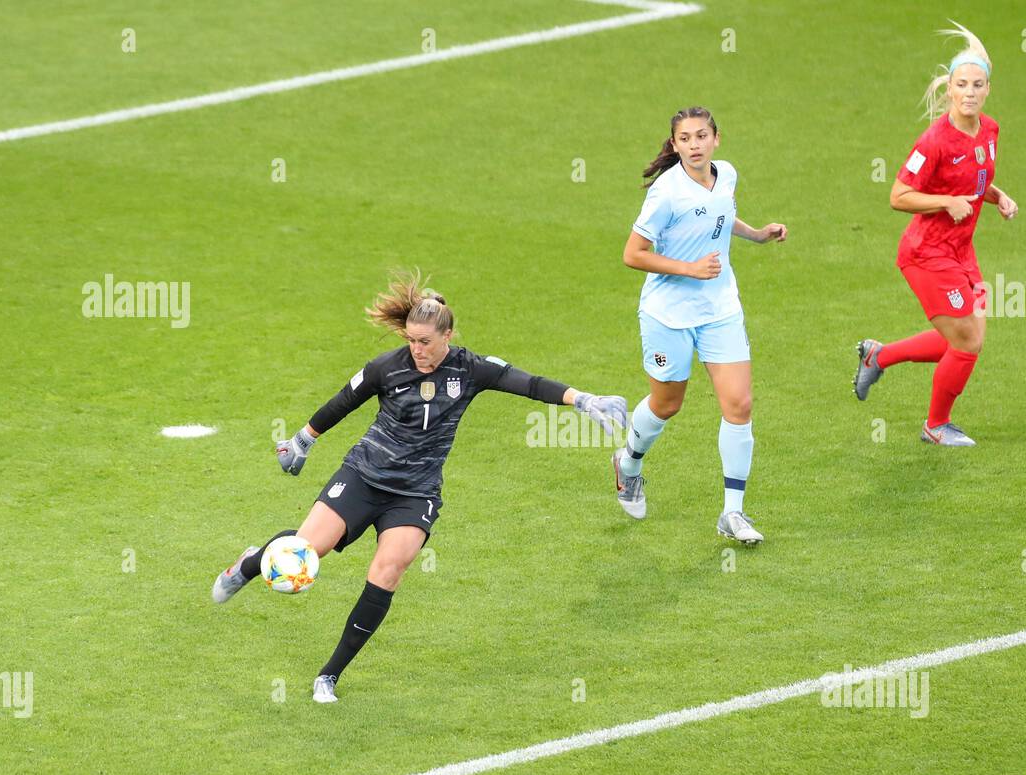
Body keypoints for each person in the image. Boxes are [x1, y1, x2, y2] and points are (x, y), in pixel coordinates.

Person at [211, 270, 628, 702]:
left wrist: (583, 400)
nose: (416, 350)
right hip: (363, 476)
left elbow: (530, 384)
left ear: (447, 335)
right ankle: (248, 565)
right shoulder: (386, 368)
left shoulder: (471, 369)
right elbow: (343, 401)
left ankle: (329, 675)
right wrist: (303, 440)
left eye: (425, 341)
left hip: (416, 492)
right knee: (305, 551)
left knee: (387, 570)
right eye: (411, 340)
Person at [615, 106, 787, 543]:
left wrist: (757, 235)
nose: (694, 145)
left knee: (739, 405)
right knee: (668, 404)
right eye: (685, 138)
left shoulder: (725, 174)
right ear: (674, 145)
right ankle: (629, 463)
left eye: (701, 136)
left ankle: (733, 512)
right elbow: (633, 254)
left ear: (716, 139)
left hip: (720, 309)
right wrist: (689, 269)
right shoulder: (665, 194)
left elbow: (721, 219)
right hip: (668, 314)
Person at [853, 22, 1018, 446]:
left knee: (969, 337)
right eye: (961, 84)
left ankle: (880, 355)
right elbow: (898, 195)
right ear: (950, 89)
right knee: (966, 342)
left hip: (963, 251)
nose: (969, 91)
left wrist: (997, 197)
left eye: (977, 85)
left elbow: (974, 179)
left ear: (987, 89)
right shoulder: (935, 141)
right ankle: (935, 426)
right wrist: (946, 203)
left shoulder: (990, 131)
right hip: (926, 254)